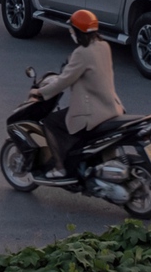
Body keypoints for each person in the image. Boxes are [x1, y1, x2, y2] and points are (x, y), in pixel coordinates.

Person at [32, 9, 125, 180]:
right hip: (111, 107)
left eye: (72, 29)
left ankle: (60, 168)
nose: (71, 33)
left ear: (79, 32)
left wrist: (40, 92)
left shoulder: (82, 53)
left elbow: (63, 81)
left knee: (51, 123)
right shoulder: (104, 46)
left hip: (92, 113)